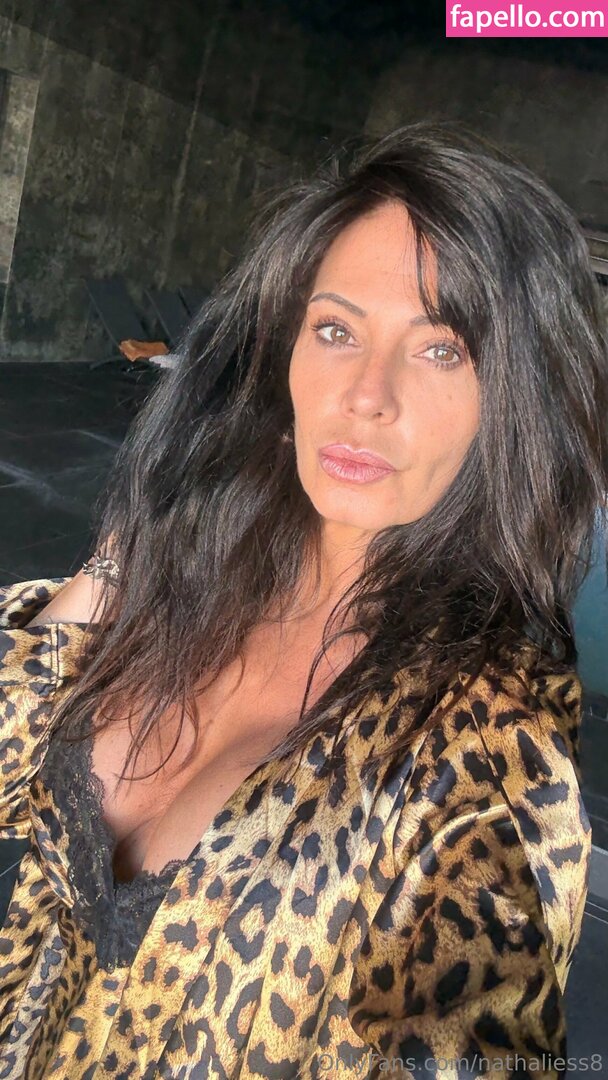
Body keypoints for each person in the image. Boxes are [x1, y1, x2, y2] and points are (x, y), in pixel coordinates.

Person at [0, 120, 606, 1080]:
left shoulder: (483, 752)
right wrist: (128, 559)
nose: (366, 394)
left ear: (516, 400)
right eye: (335, 330)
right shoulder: (189, 575)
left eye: (442, 350)